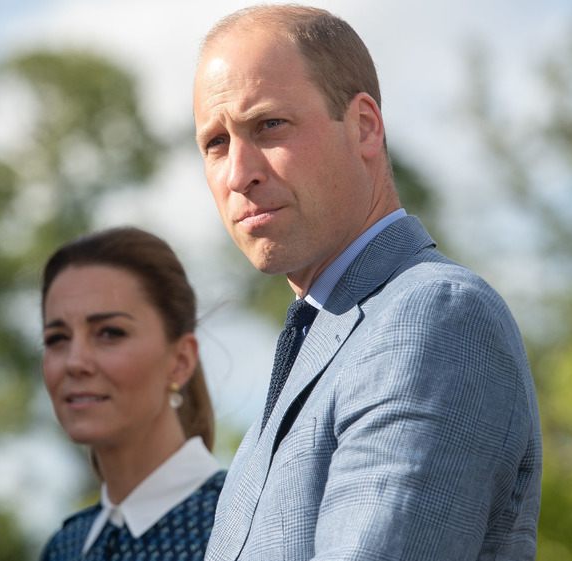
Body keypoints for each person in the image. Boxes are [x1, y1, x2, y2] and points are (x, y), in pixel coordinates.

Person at [193, 5, 542, 560]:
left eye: (269, 125)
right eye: (215, 143)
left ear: (365, 126)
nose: (239, 173)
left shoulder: (433, 316)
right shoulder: (309, 356)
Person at [38, 227, 225, 561]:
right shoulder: (65, 548)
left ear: (180, 361)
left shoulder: (243, 524)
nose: (75, 362)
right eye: (57, 338)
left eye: (110, 333)